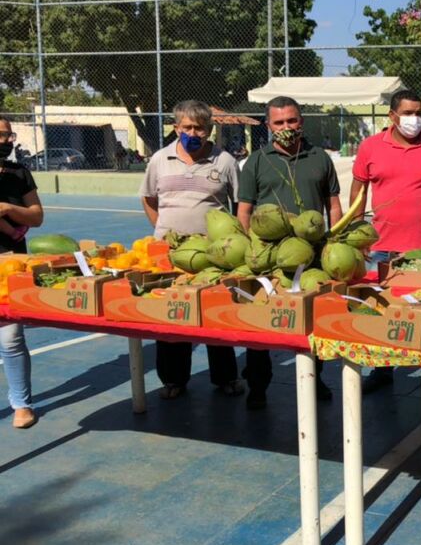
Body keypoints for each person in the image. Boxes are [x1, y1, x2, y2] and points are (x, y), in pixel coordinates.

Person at [238, 96, 341, 409]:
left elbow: (333, 205)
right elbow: (244, 211)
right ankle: (257, 385)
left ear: (302, 122)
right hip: (269, 256)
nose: (286, 127)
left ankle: (315, 376)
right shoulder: (256, 160)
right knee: (259, 323)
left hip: (310, 255)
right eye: (279, 122)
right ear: (268, 125)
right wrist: (251, 249)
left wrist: (335, 241)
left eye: (292, 121)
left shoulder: (319, 158)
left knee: (312, 320)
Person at [140, 100, 245, 401]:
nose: (192, 132)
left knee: (215, 314)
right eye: (186, 127)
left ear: (209, 129)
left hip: (213, 253)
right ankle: (173, 380)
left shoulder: (224, 161)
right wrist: (161, 228)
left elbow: (239, 205)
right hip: (168, 253)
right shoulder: (160, 159)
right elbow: (148, 198)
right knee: (169, 316)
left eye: (199, 127)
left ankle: (225, 377)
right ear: (176, 127)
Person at [350, 89, 421, 393]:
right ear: (392, 116)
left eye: (418, 112)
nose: (414, 119)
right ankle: (382, 370)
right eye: (407, 113)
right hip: (381, 247)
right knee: (381, 311)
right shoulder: (370, 148)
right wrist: (356, 234)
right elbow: (358, 191)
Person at [0, 117, 44, 428]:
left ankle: (21, 403)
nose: (4, 140)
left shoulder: (20, 173)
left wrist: (7, 209)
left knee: (11, 338)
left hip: (10, 262)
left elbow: (37, 216)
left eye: (7, 135)